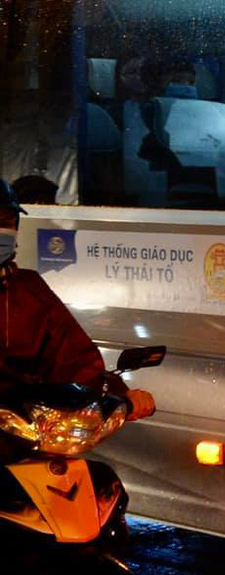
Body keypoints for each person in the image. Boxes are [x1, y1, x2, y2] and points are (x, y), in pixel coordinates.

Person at [0, 179, 155, 418]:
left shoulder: (28, 288)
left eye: (6, 222)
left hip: (23, 432)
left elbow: (74, 355)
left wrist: (116, 395)